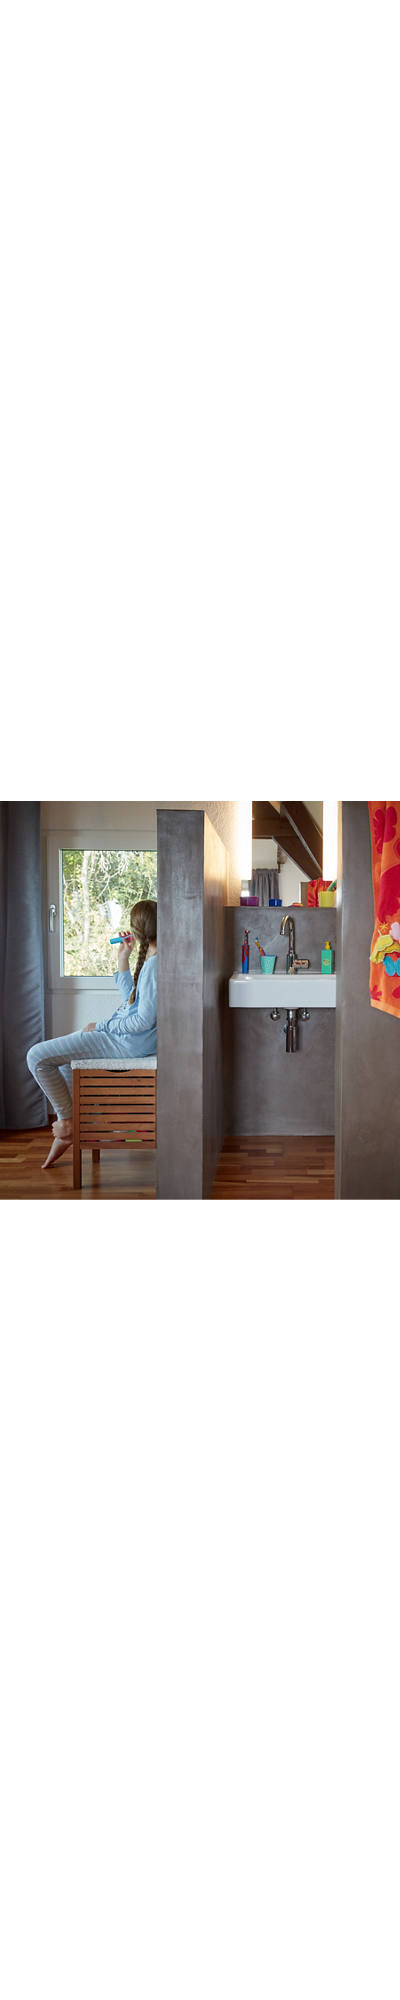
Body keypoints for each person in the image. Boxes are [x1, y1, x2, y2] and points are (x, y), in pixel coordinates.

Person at [26, 899, 157, 1169]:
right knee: (63, 1063)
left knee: (37, 1056)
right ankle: (73, 1123)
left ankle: (68, 1125)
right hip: (123, 1038)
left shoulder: (155, 966)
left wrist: (102, 1026)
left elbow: (143, 1020)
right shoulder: (154, 961)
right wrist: (123, 958)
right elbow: (132, 1003)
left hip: (126, 1043)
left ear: (137, 930)